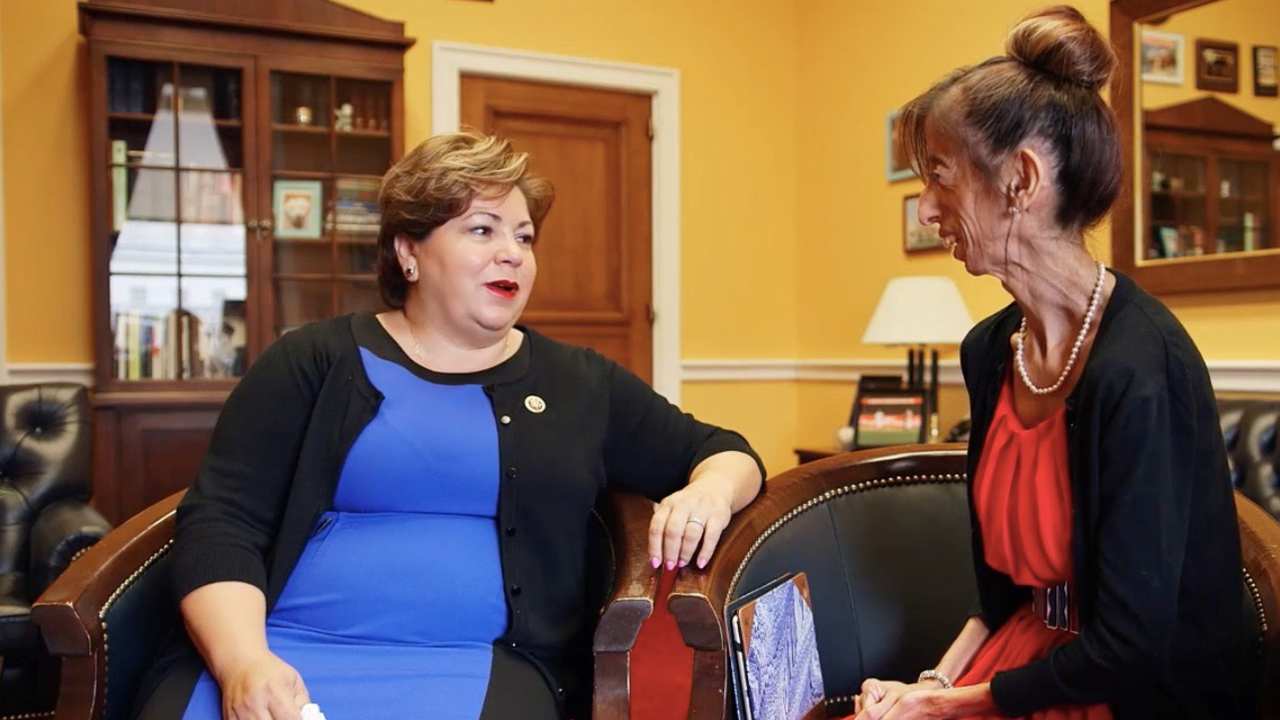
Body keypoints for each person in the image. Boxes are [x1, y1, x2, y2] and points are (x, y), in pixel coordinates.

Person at [133, 131, 765, 720]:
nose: (511, 254)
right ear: (409, 251)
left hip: (478, 664)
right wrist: (243, 662)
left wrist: (709, 490)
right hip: (278, 647)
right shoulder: (314, 361)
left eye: (523, 237)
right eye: (482, 230)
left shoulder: (578, 382)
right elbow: (223, 520)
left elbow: (723, 452)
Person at [850, 6, 1247, 720]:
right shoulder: (987, 350)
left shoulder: (1141, 366)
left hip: (1132, 695)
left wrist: (947, 708)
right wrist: (934, 684)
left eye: (940, 177)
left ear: (1021, 179)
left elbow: (1132, 644)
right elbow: (1005, 596)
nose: (926, 209)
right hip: (1029, 659)